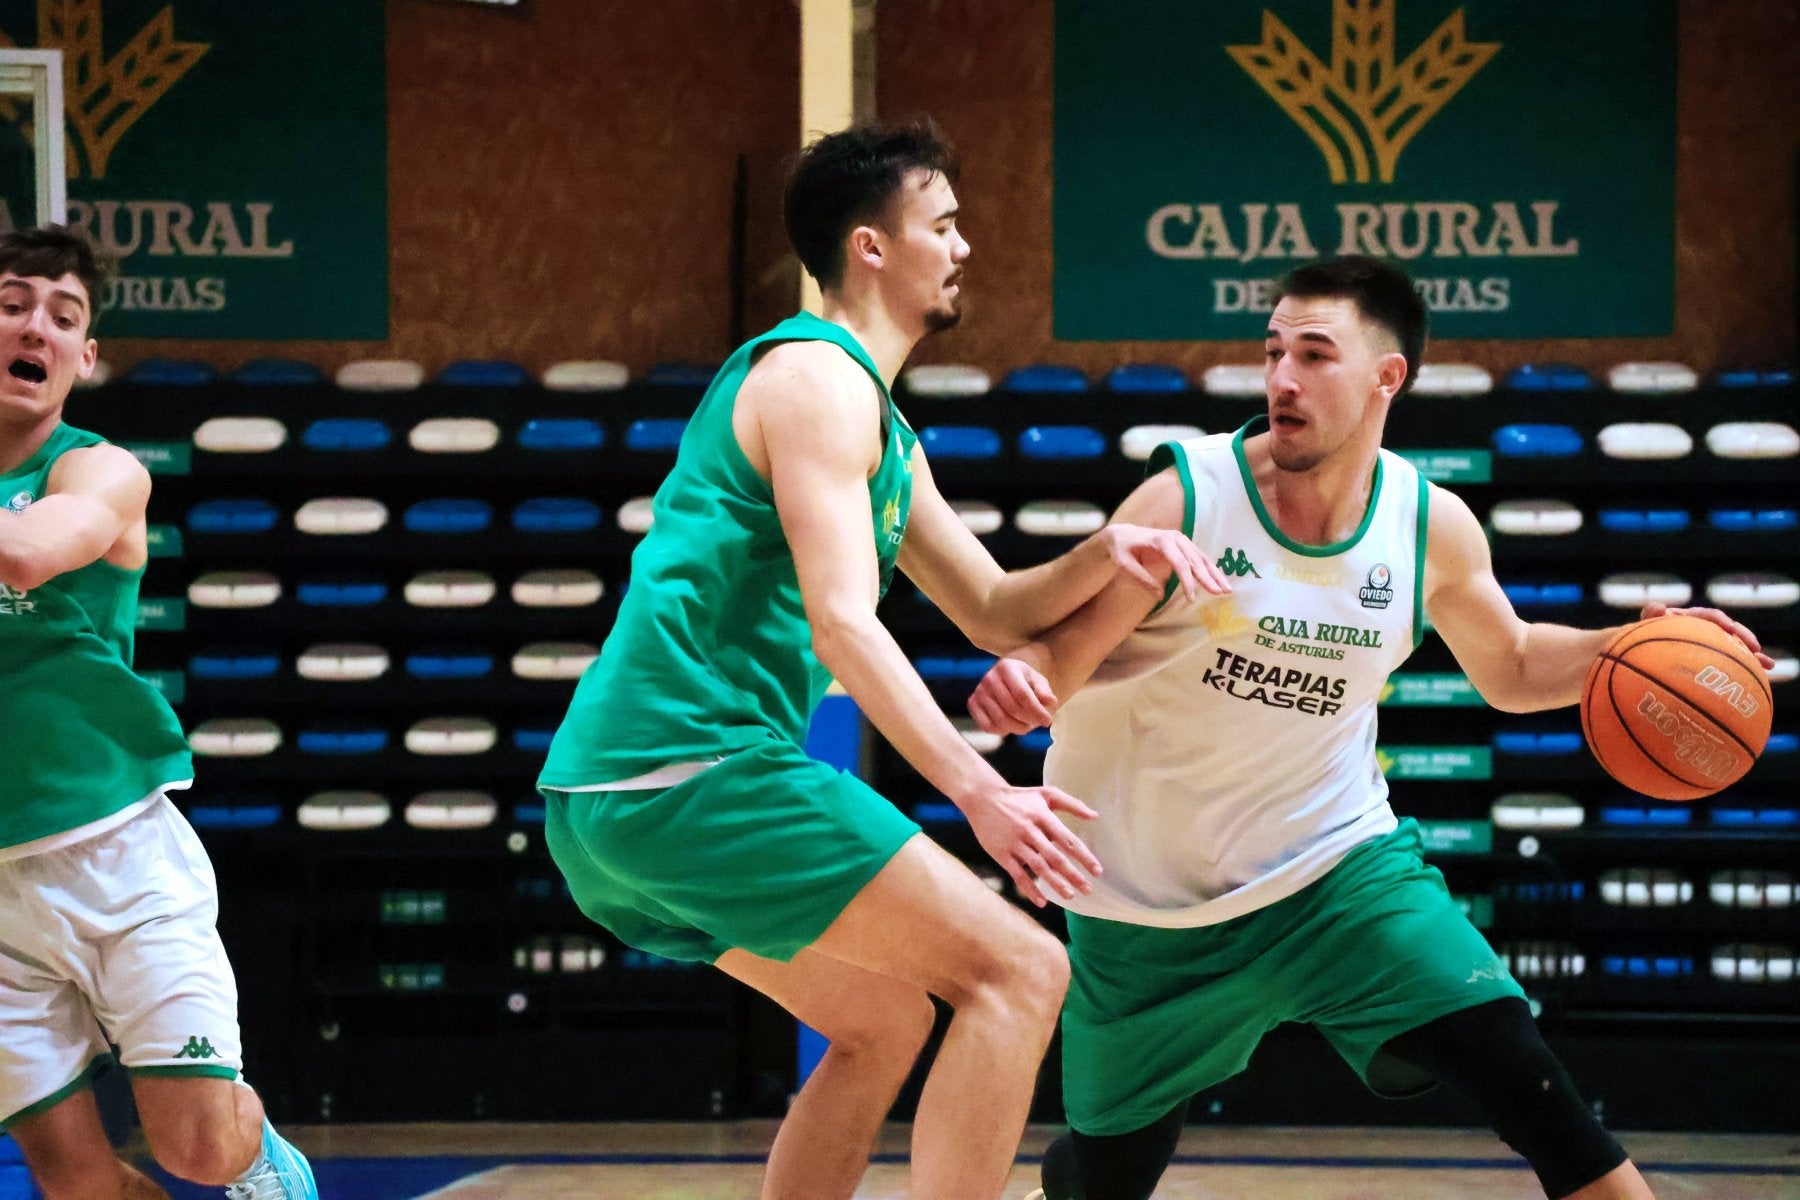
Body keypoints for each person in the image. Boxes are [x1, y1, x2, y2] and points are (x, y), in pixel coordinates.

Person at [967, 255, 1776, 1200]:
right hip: (1147, 910)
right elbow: (1056, 664)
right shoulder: (1188, 497)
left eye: (1314, 355)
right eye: (1274, 353)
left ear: (1386, 377)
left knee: (1523, 1074)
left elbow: (1510, 665)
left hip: (1335, 872)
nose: (1281, 379)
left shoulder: (1429, 525)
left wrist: (1629, 645)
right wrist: (1022, 682)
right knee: (1106, 1178)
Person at [537, 120, 1222, 1200]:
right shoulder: (817, 380)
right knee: (1024, 971)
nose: (963, 249)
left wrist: (1106, 551)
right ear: (870, 247)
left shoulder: (878, 427)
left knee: (883, 1020)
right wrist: (983, 792)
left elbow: (996, 609)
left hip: (609, 798)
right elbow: (845, 626)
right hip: (692, 768)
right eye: (942, 226)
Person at [0, 226, 316, 1200]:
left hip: (115, 857)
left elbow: (32, 552)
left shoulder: (101, 469)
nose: (37, 327)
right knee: (79, 1185)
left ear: (85, 358)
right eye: (13, 302)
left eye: (65, 316)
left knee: (194, 1151)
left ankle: (266, 1164)